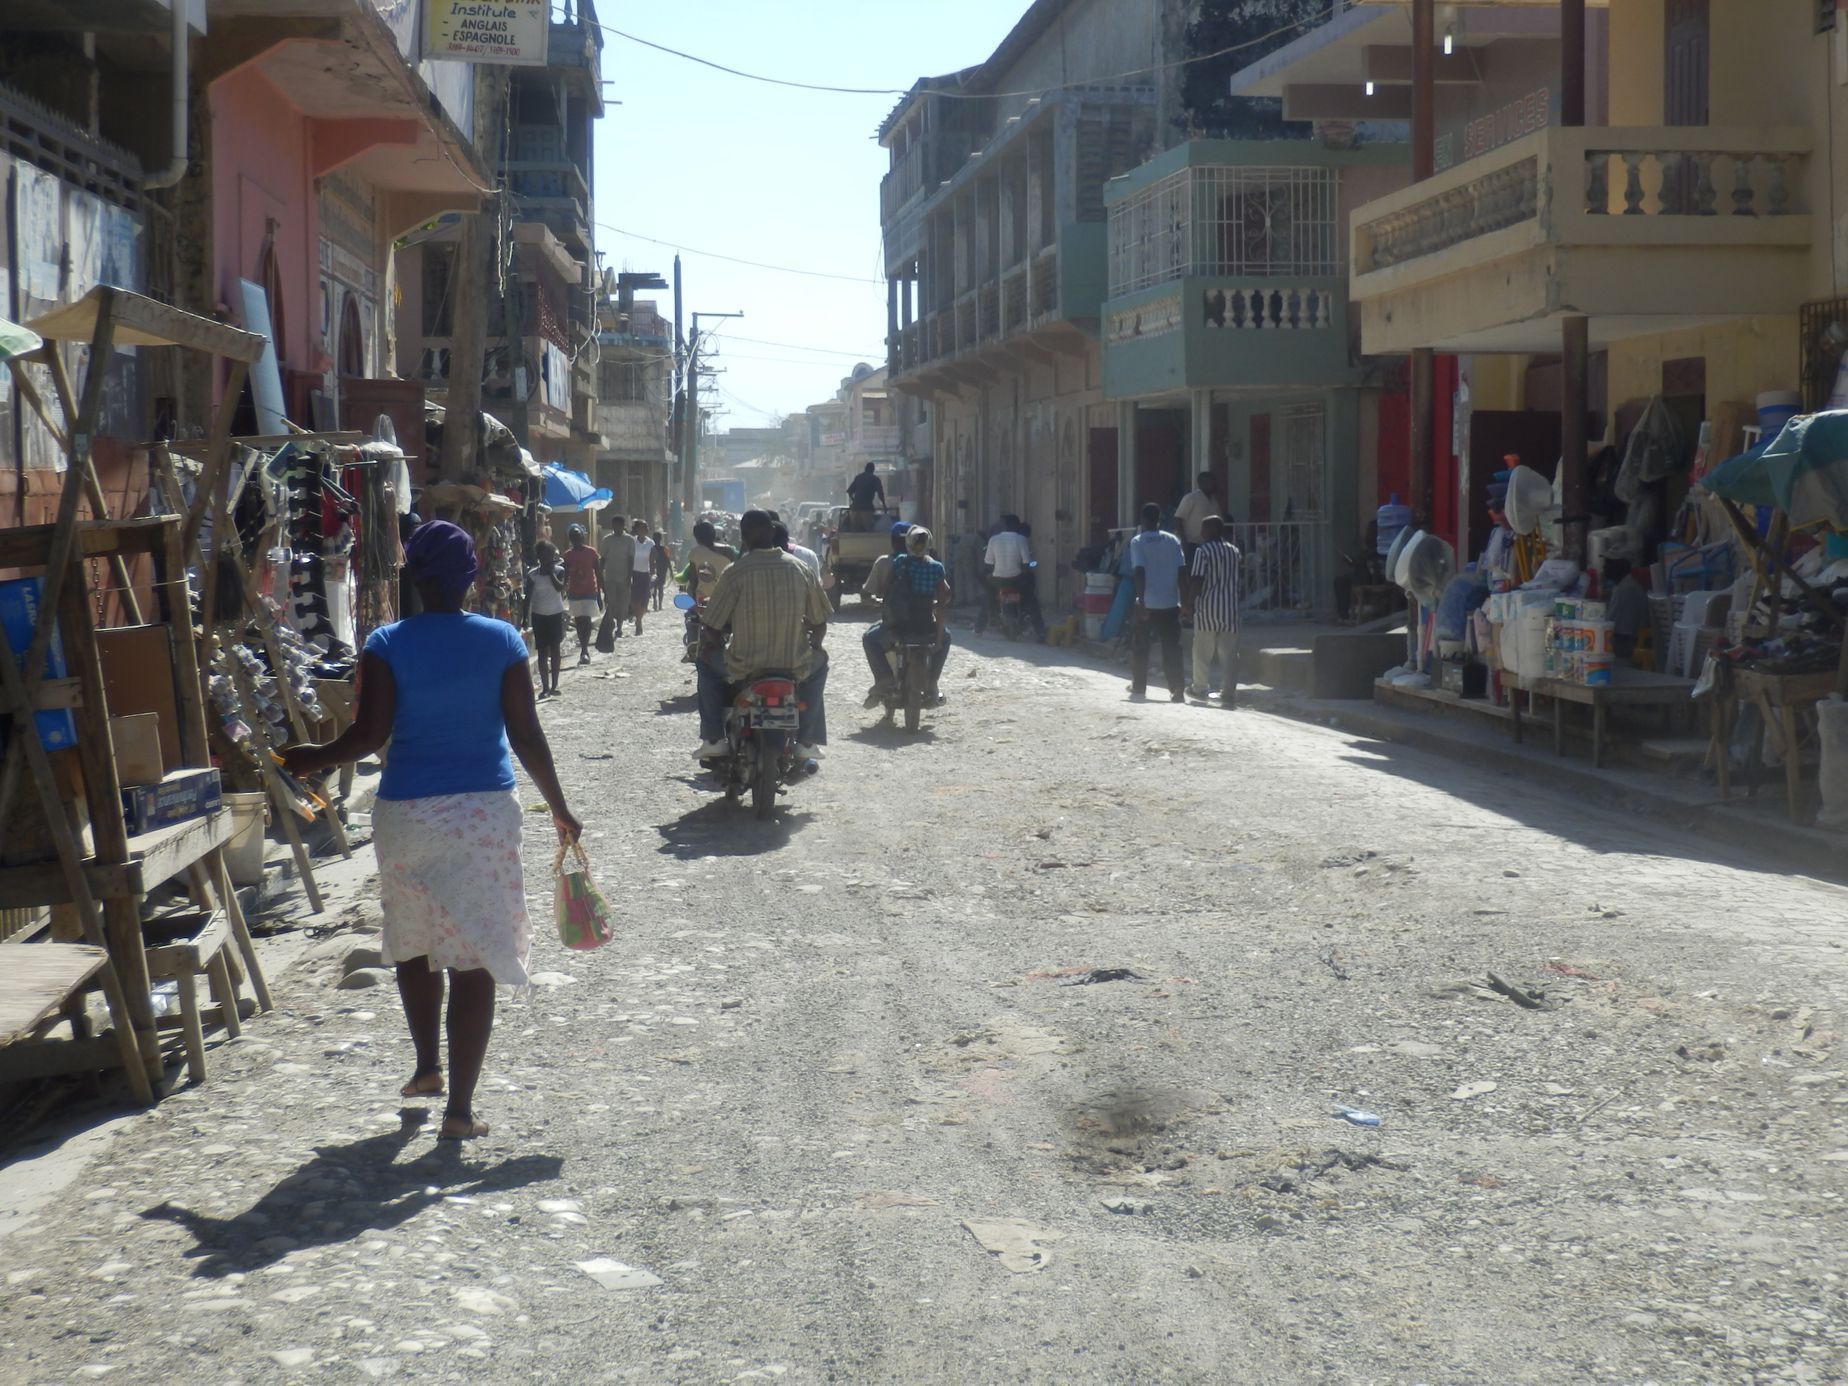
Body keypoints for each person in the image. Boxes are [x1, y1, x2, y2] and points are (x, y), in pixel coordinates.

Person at [282, 521, 580, 1141]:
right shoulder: (502, 640)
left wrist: (306, 760)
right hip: (483, 818)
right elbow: (526, 735)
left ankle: (425, 1070)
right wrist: (559, 806)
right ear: (471, 576)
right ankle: (460, 1112)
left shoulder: (386, 642)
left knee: (413, 944)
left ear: (413, 575)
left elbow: (367, 738)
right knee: (473, 958)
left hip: (406, 817)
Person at [694, 510, 832, 763]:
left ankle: (713, 738)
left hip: (743, 667)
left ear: (743, 538)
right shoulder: (801, 569)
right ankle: (806, 741)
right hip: (794, 666)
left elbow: (712, 627)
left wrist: (714, 643)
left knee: (704, 661)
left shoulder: (735, 572)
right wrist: (815, 645)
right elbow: (819, 622)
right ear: (772, 532)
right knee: (820, 665)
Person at [863, 523, 952, 707]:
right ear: (929, 543)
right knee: (948, 637)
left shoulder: (899, 562)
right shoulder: (936, 568)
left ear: (908, 543)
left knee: (869, 639)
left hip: (898, 626)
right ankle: (933, 681)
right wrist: (938, 637)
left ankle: (884, 678)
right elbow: (942, 605)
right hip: (925, 625)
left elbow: (887, 594)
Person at [1129, 502, 1187, 701]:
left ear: (1142, 520)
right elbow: (1181, 571)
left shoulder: (1138, 541)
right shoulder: (1173, 540)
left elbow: (1139, 571)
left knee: (1141, 645)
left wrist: (1141, 600)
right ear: (1159, 519)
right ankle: (1177, 687)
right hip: (1171, 602)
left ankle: (1139, 687)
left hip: (1149, 602)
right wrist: (1184, 600)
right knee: (1172, 646)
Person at [1183, 515, 1242, 706]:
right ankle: (1229, 692)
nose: (1201, 533)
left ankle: (1199, 688)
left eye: (1204, 529)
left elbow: (1198, 580)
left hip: (1207, 608)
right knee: (1230, 654)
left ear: (1211, 531)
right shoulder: (1234, 551)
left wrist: (1189, 603)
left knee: (1202, 651)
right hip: (1230, 609)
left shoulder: (1203, 551)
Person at [976, 514, 1044, 637]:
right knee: (1032, 600)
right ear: (1017, 526)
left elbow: (988, 563)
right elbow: (1027, 562)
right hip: (1017, 579)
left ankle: (978, 628)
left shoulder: (994, 539)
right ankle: (1040, 631)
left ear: (1005, 526)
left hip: (997, 580)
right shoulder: (1021, 539)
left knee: (988, 597)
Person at [525, 539, 567, 699]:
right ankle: (545, 687)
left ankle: (555, 685)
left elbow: (559, 588)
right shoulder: (532, 574)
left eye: (550, 555)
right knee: (542, 651)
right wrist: (524, 618)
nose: (548, 558)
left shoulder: (559, 570)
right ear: (539, 556)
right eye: (545, 555)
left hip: (555, 613)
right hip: (538, 615)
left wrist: (550, 573)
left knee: (555, 649)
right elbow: (528, 597)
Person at [561, 524, 601, 665]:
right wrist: (561, 591)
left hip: (590, 591)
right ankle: (583, 649)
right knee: (579, 621)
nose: (576, 539)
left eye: (578, 536)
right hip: (575, 592)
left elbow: (598, 573)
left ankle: (584, 649)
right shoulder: (568, 555)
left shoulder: (592, 553)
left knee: (587, 621)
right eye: (573, 537)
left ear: (583, 536)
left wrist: (601, 595)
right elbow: (565, 576)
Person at [597, 518, 635, 645]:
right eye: (614, 525)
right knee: (611, 603)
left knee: (623, 604)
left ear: (623, 526)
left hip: (624, 577)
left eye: (619, 525)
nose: (616, 527)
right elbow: (602, 558)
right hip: (611, 577)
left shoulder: (629, 540)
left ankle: (619, 627)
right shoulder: (607, 540)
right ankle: (609, 626)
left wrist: (630, 576)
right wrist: (599, 574)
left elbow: (631, 559)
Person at [679, 519, 736, 601]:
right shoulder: (728, 551)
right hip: (725, 598)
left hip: (702, 598)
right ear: (714, 534)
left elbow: (693, 580)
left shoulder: (694, 553)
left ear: (697, 538)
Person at [1605, 557, 1650, 659]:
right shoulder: (1622, 587)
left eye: (1609, 564)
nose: (1604, 568)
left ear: (1620, 567)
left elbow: (1622, 631)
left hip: (1626, 645)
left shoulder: (1627, 590)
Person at [1174, 471, 1223, 557]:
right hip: (1192, 544)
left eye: (1213, 482)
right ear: (1201, 483)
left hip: (1210, 545)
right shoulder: (1191, 498)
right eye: (1209, 482)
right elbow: (1178, 519)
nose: (1213, 485)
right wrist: (1184, 541)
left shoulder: (1214, 501)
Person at [628, 519, 655, 635]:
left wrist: (653, 573)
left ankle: (639, 619)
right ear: (637, 530)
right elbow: (628, 558)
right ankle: (638, 620)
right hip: (634, 573)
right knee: (635, 599)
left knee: (644, 599)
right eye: (642, 528)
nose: (644, 530)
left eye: (646, 528)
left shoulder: (650, 543)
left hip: (645, 574)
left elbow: (652, 560)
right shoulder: (632, 542)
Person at [846, 462, 884, 529]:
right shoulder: (875, 479)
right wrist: (884, 505)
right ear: (873, 470)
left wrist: (854, 501)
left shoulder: (858, 478)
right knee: (867, 531)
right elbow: (880, 494)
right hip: (867, 509)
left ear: (865, 469)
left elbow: (849, 491)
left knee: (854, 530)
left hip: (855, 509)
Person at [651, 530, 672, 610]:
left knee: (655, 587)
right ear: (661, 539)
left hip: (657, 570)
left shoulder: (652, 549)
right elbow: (668, 560)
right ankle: (659, 604)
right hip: (662, 570)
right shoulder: (664, 548)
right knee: (660, 588)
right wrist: (671, 572)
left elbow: (651, 561)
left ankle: (655, 602)